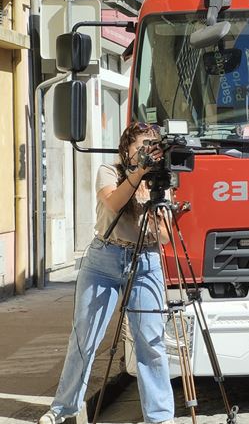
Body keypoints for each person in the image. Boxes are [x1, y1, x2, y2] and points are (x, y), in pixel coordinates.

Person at [39, 122, 175, 424]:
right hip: (105, 259)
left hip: (145, 261)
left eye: (152, 146)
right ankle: (64, 408)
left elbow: (165, 237)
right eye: (141, 146)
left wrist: (158, 210)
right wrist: (137, 174)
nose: (146, 152)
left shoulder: (159, 182)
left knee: (150, 344)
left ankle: (160, 417)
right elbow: (113, 203)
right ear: (126, 148)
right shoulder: (109, 171)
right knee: (84, 338)